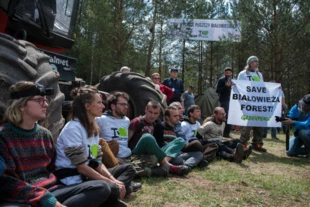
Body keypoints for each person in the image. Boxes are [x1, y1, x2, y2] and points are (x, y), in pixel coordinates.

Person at [0, 81, 111, 207]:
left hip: (53, 190)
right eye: (39, 100)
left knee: (101, 187)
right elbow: (6, 183)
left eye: (46, 100)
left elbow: (53, 168)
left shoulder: (45, 135)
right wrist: (45, 199)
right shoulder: (4, 136)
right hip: (24, 197)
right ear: (21, 105)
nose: (46, 104)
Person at [55, 85, 135, 206]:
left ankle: (116, 192)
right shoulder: (73, 129)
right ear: (87, 106)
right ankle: (113, 193)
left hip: (89, 178)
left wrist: (113, 180)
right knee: (107, 187)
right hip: (74, 181)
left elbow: (96, 162)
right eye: (99, 102)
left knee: (128, 169)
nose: (103, 106)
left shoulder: (93, 128)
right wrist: (110, 182)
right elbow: (81, 167)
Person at [128, 100, 190, 176]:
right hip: (137, 153)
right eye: (150, 112)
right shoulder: (137, 122)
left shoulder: (155, 124)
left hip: (150, 154)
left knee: (180, 140)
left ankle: (162, 163)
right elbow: (126, 140)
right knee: (147, 137)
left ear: (159, 113)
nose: (152, 116)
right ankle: (169, 166)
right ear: (146, 110)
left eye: (155, 113)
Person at [153, 106, 203, 170]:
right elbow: (158, 144)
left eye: (178, 116)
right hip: (165, 154)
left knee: (199, 154)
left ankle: (185, 167)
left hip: (176, 154)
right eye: (175, 116)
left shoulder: (175, 128)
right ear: (167, 117)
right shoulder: (160, 126)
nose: (178, 118)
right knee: (180, 142)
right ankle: (170, 164)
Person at [237, 56, 267, 152]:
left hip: (257, 103)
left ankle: (257, 143)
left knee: (259, 122)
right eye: (255, 62)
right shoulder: (243, 74)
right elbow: (239, 86)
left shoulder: (259, 75)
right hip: (247, 102)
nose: (257, 63)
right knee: (246, 124)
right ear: (250, 63)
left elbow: (262, 88)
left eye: (257, 62)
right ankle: (243, 143)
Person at [216, 67, 233, 138]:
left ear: (231, 73)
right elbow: (217, 90)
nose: (228, 74)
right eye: (227, 72)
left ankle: (227, 133)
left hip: (232, 101)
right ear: (224, 73)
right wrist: (226, 86)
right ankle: (222, 132)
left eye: (229, 73)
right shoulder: (221, 80)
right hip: (224, 101)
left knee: (231, 117)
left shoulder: (233, 81)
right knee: (224, 117)